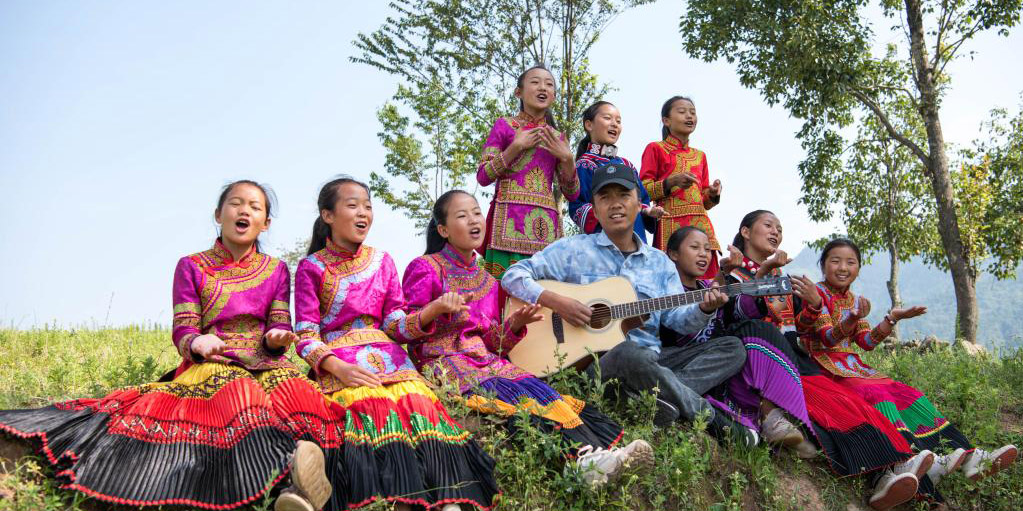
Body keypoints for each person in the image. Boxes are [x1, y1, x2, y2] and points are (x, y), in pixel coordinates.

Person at [0, 180, 338, 511]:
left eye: (254, 206)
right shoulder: (191, 266)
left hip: (267, 362)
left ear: (265, 224)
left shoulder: (277, 269)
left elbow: (279, 320)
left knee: (303, 399)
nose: (244, 210)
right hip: (215, 364)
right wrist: (198, 342)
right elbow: (184, 328)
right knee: (243, 402)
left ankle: (302, 482)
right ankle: (290, 480)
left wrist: (277, 338)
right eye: (236, 203)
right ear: (218, 214)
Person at [401, 189, 654, 488]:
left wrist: (515, 326)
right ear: (443, 229)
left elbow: (495, 344)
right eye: (462, 215)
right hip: (445, 362)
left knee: (543, 393)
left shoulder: (488, 281)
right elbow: (405, 329)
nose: (474, 220)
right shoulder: (425, 268)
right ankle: (581, 463)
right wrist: (437, 309)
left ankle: (602, 456)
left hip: (486, 361)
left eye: (477, 213)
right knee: (517, 399)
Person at [502, 162, 756, 447]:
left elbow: (677, 319)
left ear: (638, 204)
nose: (615, 205)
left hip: (653, 360)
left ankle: (646, 397)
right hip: (595, 366)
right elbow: (513, 275)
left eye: (623, 195)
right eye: (604, 197)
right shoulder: (572, 250)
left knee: (733, 349)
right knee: (629, 353)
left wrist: (705, 309)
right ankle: (714, 422)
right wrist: (557, 302)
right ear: (595, 210)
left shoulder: (659, 262)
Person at [293, 177, 498, 511]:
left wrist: (434, 309)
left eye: (368, 206)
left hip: (392, 361)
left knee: (423, 410)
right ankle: (403, 499)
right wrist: (338, 368)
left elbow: (395, 325)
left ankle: (450, 499)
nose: (363, 213)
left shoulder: (383, 260)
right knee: (372, 411)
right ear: (327, 215)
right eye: (353, 205)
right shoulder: (311, 267)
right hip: (344, 364)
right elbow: (305, 335)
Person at [721, 210, 939, 510]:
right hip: (766, 354)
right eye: (768, 226)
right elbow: (738, 316)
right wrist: (760, 277)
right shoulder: (731, 273)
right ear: (745, 232)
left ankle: (901, 473)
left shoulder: (787, 281)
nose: (775, 232)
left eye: (780, 227)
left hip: (795, 352)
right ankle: (883, 475)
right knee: (831, 406)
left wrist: (812, 305)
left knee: (852, 402)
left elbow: (807, 330)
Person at [805, 238, 1017, 484]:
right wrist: (852, 320)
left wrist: (892, 319)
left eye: (850, 262)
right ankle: (916, 457)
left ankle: (969, 456)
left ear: (858, 269)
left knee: (908, 394)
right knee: (878, 396)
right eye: (835, 261)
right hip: (826, 366)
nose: (843, 267)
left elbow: (866, 342)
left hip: (855, 367)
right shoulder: (816, 294)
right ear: (823, 266)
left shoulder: (854, 299)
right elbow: (828, 339)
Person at [662, 226, 816, 454]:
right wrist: (724, 275)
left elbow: (739, 311)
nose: (704, 254)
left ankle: (772, 422)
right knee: (736, 348)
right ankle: (673, 395)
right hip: (681, 363)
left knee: (746, 339)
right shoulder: (663, 288)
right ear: (673, 254)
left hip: (717, 366)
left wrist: (761, 288)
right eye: (694, 248)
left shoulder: (709, 287)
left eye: (707, 249)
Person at [476, 64, 580, 279]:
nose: (543, 88)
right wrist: (515, 147)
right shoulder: (504, 126)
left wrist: (568, 159)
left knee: (548, 296)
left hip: (548, 228)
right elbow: (483, 176)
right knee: (506, 294)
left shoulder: (558, 137)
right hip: (508, 222)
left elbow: (572, 194)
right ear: (518, 92)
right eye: (535, 82)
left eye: (549, 84)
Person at [639, 96, 722, 278]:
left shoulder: (700, 155)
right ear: (666, 120)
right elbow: (642, 191)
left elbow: (704, 200)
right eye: (682, 112)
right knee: (672, 286)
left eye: (692, 112)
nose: (689, 116)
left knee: (709, 285)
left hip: (701, 227)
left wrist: (713, 194)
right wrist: (671, 182)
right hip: (671, 226)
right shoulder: (655, 149)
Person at [569, 100, 663, 242]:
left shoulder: (627, 165)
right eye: (607, 118)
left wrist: (648, 211)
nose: (614, 124)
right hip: (604, 243)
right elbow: (578, 206)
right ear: (589, 125)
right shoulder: (585, 165)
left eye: (618, 121)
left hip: (635, 239)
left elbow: (641, 200)